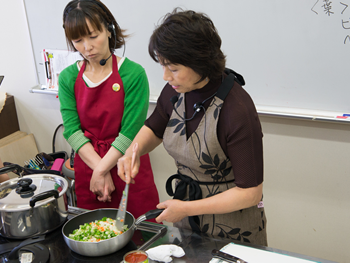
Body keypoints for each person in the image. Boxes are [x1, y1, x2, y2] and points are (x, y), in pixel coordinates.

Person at [118, 8, 267, 246]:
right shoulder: (176, 91)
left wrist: (186, 208)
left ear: (200, 62)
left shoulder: (237, 109)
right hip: (187, 216)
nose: (166, 76)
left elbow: (250, 193)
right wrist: (132, 152)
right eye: (163, 66)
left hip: (234, 227)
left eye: (174, 68)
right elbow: (155, 128)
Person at [58, 0, 159, 219]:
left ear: (109, 29)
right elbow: (72, 131)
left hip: (127, 166)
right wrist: (98, 170)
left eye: (93, 36)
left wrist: (101, 170)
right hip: (89, 165)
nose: (87, 47)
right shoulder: (68, 78)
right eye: (78, 40)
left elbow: (130, 132)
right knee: (93, 233)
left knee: (141, 238)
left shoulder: (133, 74)